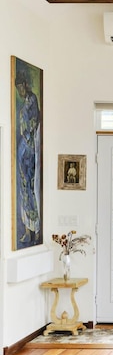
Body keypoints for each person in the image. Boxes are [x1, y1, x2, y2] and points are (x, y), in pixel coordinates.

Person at [14, 62, 42, 248]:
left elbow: (32, 124)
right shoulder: (24, 103)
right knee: (24, 189)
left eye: (21, 87)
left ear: (26, 85)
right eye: (17, 89)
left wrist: (26, 135)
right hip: (25, 148)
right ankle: (27, 230)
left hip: (30, 149)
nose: (20, 91)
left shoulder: (32, 101)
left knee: (30, 189)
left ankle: (34, 230)